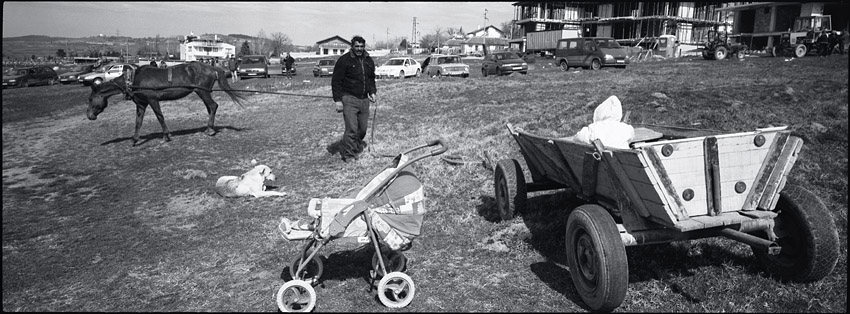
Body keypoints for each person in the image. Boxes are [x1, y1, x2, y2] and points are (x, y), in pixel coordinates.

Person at [329, 35, 377, 162]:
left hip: (364, 100)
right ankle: (349, 154)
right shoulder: (344, 61)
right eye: (357, 46)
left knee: (362, 130)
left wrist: (372, 92)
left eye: (361, 46)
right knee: (351, 128)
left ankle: (354, 146)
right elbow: (336, 81)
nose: (359, 49)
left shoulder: (368, 60)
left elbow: (371, 79)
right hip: (349, 98)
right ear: (352, 46)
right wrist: (338, 100)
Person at [564, 95, 634, 149]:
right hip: (623, 164)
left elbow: (577, 138)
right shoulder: (626, 128)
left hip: (602, 164)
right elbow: (630, 138)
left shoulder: (593, 128)